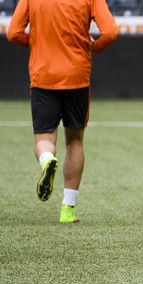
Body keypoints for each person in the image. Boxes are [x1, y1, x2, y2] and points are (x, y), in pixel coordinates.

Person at [6, 0, 118, 223]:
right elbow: (111, 33)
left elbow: (13, 33)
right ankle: (68, 209)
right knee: (74, 141)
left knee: (44, 139)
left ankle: (47, 159)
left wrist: (35, 43)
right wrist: (94, 47)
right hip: (77, 77)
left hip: (43, 76)